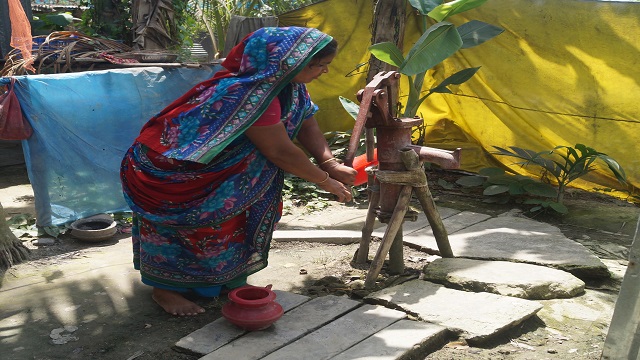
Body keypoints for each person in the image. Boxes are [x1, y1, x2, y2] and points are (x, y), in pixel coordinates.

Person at [120, 26, 357, 316]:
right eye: (318, 65)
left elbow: (307, 120)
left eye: (326, 65)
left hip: (227, 176)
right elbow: (280, 151)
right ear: (284, 62)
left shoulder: (288, 86)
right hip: (181, 173)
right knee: (183, 230)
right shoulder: (247, 95)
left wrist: (329, 162)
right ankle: (165, 290)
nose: (324, 72)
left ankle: (219, 280)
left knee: (227, 226)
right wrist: (326, 181)